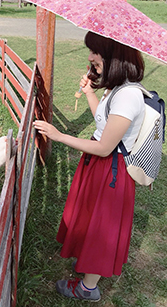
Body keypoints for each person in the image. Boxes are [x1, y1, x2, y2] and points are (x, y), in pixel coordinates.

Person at [34, 31, 145, 302]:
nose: (90, 57)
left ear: (113, 56)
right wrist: (88, 93)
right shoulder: (115, 88)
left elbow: (106, 146)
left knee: (100, 228)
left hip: (111, 171)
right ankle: (87, 266)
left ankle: (88, 287)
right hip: (100, 165)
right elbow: (102, 122)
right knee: (90, 218)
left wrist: (59, 136)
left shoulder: (129, 96)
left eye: (96, 51)